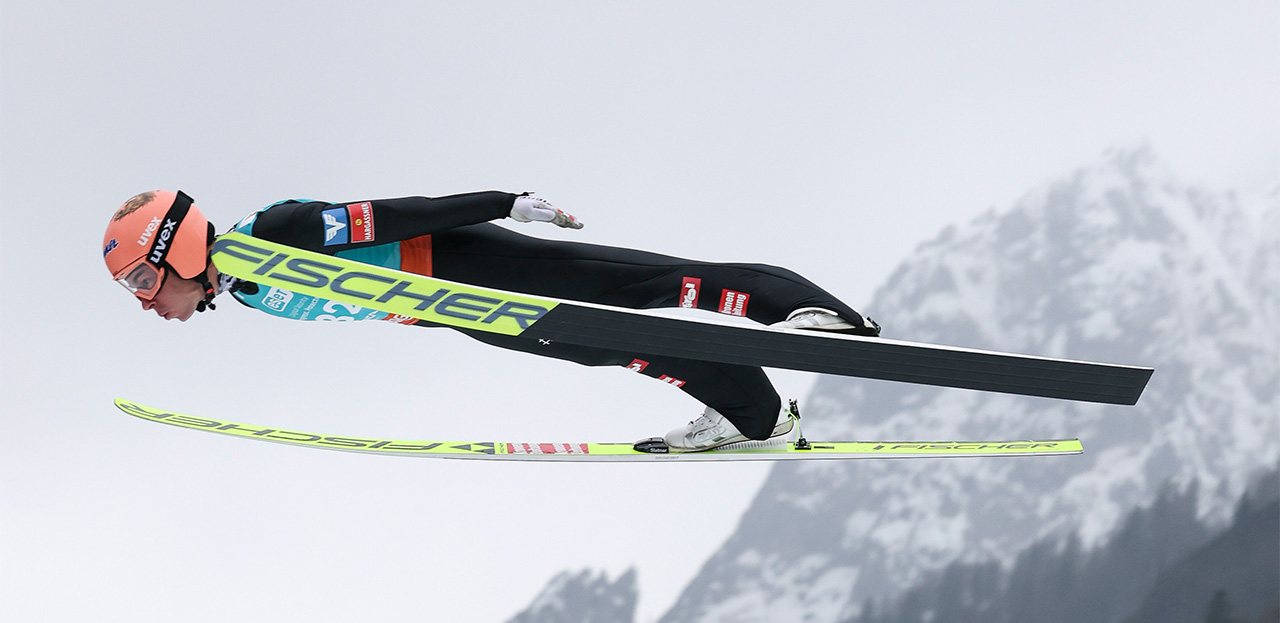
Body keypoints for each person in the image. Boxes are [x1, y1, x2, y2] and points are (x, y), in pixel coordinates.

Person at [102, 190, 880, 452]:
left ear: (176, 246)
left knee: (644, 285)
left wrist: (502, 202)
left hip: (468, 265)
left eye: (141, 277)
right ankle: (757, 419)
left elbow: (395, 214)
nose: (144, 300)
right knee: (629, 347)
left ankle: (812, 313)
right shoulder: (247, 287)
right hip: (455, 309)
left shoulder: (269, 238)